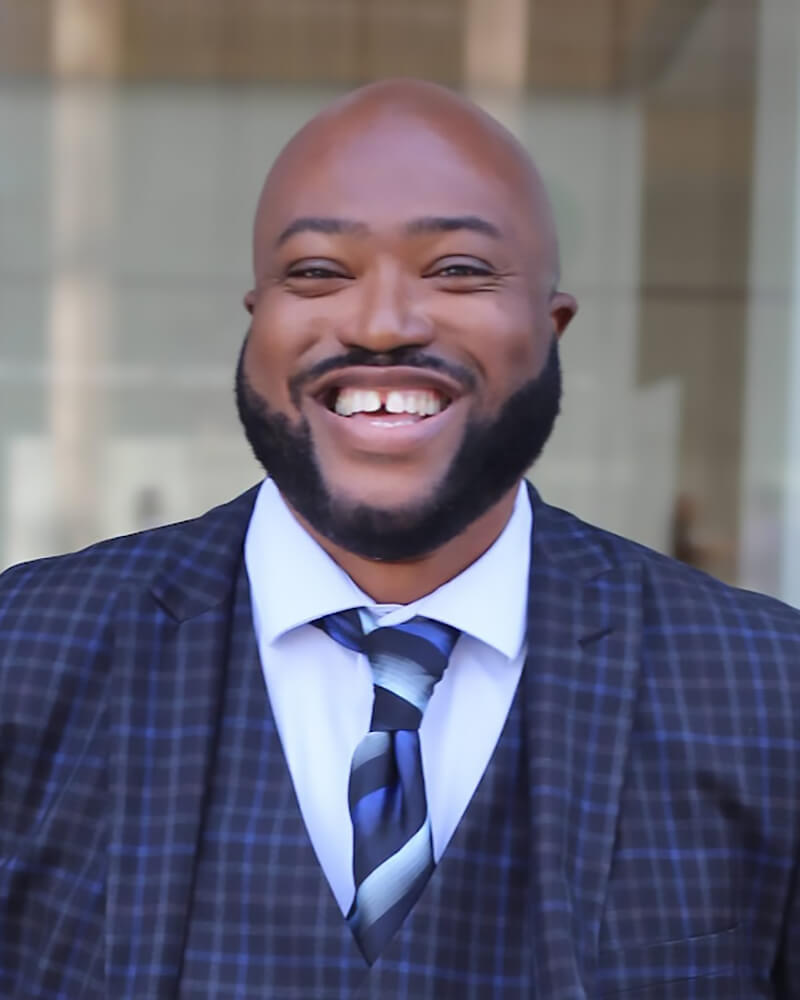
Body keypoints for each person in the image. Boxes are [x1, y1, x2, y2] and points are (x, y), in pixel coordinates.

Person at [1, 79, 798, 1000]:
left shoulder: (768, 688)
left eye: (458, 269)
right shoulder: (27, 649)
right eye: (318, 272)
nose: (382, 325)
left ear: (551, 324)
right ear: (258, 321)